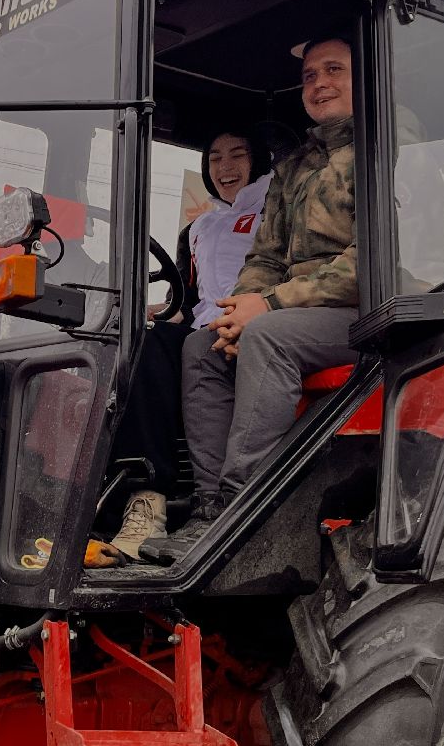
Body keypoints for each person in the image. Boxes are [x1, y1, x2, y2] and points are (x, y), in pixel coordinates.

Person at [141, 35, 361, 564]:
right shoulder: (297, 166)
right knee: (201, 348)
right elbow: (263, 257)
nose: (319, 83)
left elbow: (373, 261)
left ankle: (245, 510)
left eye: (333, 69)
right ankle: (209, 509)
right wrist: (236, 311)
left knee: (266, 337)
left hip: (367, 312)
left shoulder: (388, 151)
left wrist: (272, 307)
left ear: (366, 78)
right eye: (309, 75)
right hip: (295, 311)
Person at [87, 129, 273, 565]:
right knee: (139, 344)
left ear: (260, 159)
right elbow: (188, 301)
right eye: (215, 159)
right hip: (206, 325)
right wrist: (153, 312)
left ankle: (182, 496)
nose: (225, 167)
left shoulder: (275, 207)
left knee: (187, 348)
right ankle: (138, 500)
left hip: (259, 319)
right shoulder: (199, 228)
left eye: (238, 154)